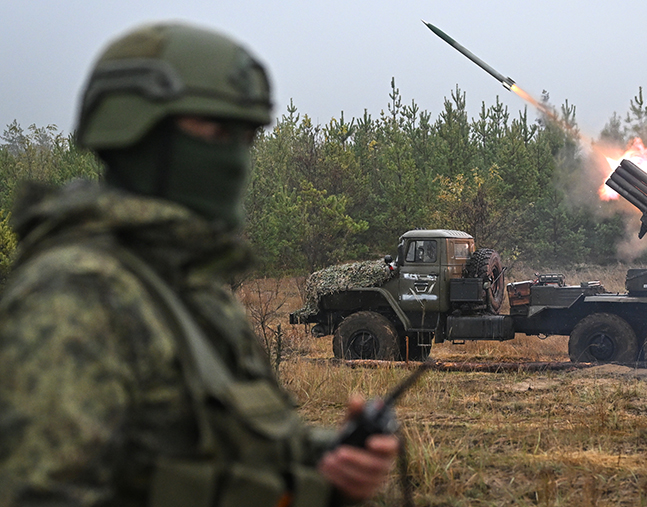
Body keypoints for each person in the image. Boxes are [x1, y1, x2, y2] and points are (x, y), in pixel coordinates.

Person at [0, 21, 397, 506]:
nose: (236, 157)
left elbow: (230, 450)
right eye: (217, 131)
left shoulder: (195, 293)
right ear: (137, 130)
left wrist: (329, 461)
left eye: (247, 136)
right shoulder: (76, 297)